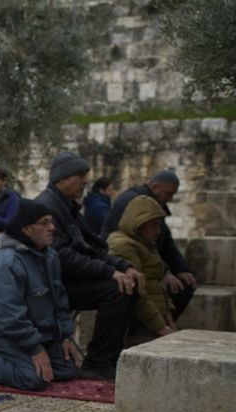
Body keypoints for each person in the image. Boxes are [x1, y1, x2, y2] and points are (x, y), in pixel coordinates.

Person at [33, 151, 141, 379]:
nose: (85, 181)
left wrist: (122, 266)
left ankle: (110, 357)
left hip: (67, 280)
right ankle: (98, 362)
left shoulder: (67, 206)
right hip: (52, 287)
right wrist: (111, 272)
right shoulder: (48, 207)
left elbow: (91, 247)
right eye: (79, 175)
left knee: (129, 283)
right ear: (61, 179)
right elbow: (62, 257)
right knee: (116, 291)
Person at [0, 200, 83, 390]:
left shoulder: (49, 256)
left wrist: (64, 335)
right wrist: (34, 348)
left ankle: (29, 354)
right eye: (44, 223)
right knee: (34, 379)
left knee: (69, 370)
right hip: (4, 335)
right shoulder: (7, 263)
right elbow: (9, 316)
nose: (52, 227)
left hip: (39, 334)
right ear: (26, 229)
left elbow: (59, 301)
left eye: (51, 222)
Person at [102, 170, 196, 319]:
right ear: (156, 187)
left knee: (185, 283)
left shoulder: (152, 203)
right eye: (169, 193)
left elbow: (164, 241)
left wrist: (181, 269)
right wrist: (164, 272)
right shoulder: (136, 202)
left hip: (143, 260)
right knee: (174, 289)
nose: (170, 199)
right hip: (129, 262)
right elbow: (139, 244)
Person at [107, 196, 178, 339]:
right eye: (153, 225)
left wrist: (167, 313)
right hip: (139, 323)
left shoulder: (145, 243)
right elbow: (138, 291)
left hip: (154, 318)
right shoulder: (123, 245)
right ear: (138, 224)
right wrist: (160, 327)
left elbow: (156, 283)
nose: (158, 231)